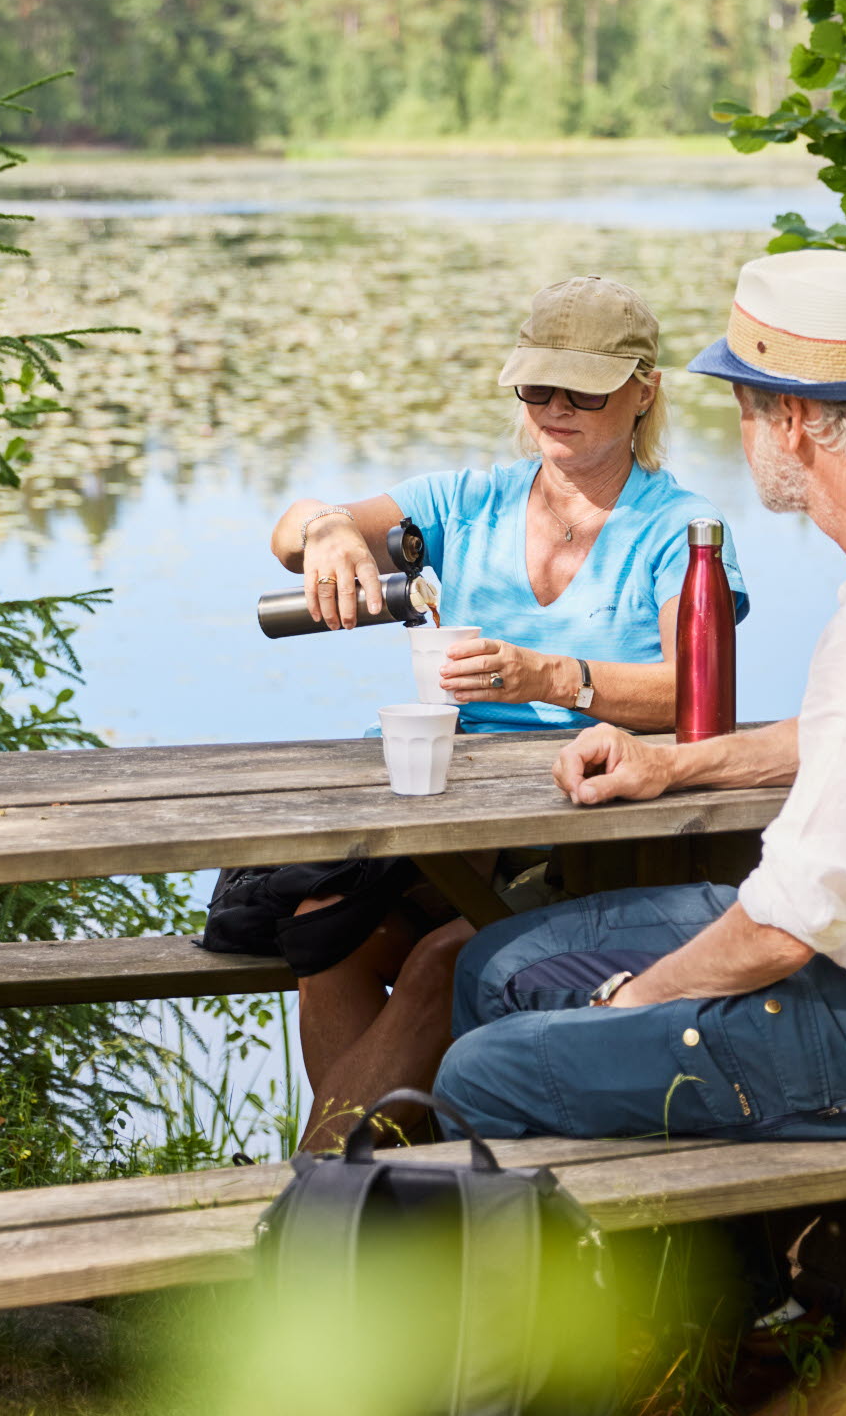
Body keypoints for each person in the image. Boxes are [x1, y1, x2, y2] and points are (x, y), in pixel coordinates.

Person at [432, 248, 846, 1142]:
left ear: (789, 419)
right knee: (498, 962)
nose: (739, 439)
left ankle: (669, 1276)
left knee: (485, 1073)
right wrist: (672, 764)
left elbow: (787, 925)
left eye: (743, 411)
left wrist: (636, 999)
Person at [230, 275, 748, 1150]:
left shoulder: (682, 529)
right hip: (452, 814)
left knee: (444, 959)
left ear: (644, 387)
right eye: (535, 386)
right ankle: (406, 1184)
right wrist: (324, 531)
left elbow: (699, 694)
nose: (555, 407)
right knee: (326, 930)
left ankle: (321, 1195)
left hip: (597, 824)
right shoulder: (466, 502)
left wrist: (552, 677)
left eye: (582, 388)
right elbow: (290, 529)